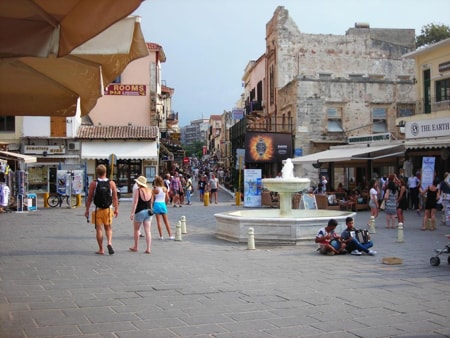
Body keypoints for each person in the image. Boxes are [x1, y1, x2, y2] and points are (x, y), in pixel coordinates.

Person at [84, 164, 119, 255]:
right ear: (105, 172)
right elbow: (115, 197)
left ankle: (101, 249)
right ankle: (109, 243)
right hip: (108, 209)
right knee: (108, 227)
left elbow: (89, 198)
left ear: (97, 173)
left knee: (99, 229)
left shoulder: (94, 184)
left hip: (97, 209)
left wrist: (87, 210)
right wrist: (116, 209)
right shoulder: (111, 183)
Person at [129, 176, 153, 254]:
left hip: (140, 211)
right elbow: (151, 203)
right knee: (148, 230)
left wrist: (132, 213)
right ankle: (148, 248)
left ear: (139, 183)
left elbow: (135, 202)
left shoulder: (138, 190)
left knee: (136, 230)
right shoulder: (150, 190)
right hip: (148, 211)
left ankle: (136, 246)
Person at [152, 175, 174, 240]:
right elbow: (167, 198)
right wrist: (165, 204)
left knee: (158, 222)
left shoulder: (155, 189)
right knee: (166, 221)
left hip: (156, 204)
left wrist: (152, 206)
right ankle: (170, 235)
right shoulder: (165, 189)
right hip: (163, 204)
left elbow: (152, 199)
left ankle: (161, 236)